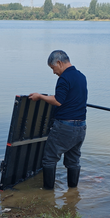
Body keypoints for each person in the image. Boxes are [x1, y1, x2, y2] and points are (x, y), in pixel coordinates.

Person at [29, 50, 87, 189]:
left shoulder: (64, 78)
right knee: (73, 161)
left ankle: (48, 193)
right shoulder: (81, 76)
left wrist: (40, 97)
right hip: (81, 127)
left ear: (59, 63)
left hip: (65, 127)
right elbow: (74, 99)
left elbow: (58, 100)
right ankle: (73, 191)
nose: (53, 72)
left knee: (49, 159)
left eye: (53, 68)